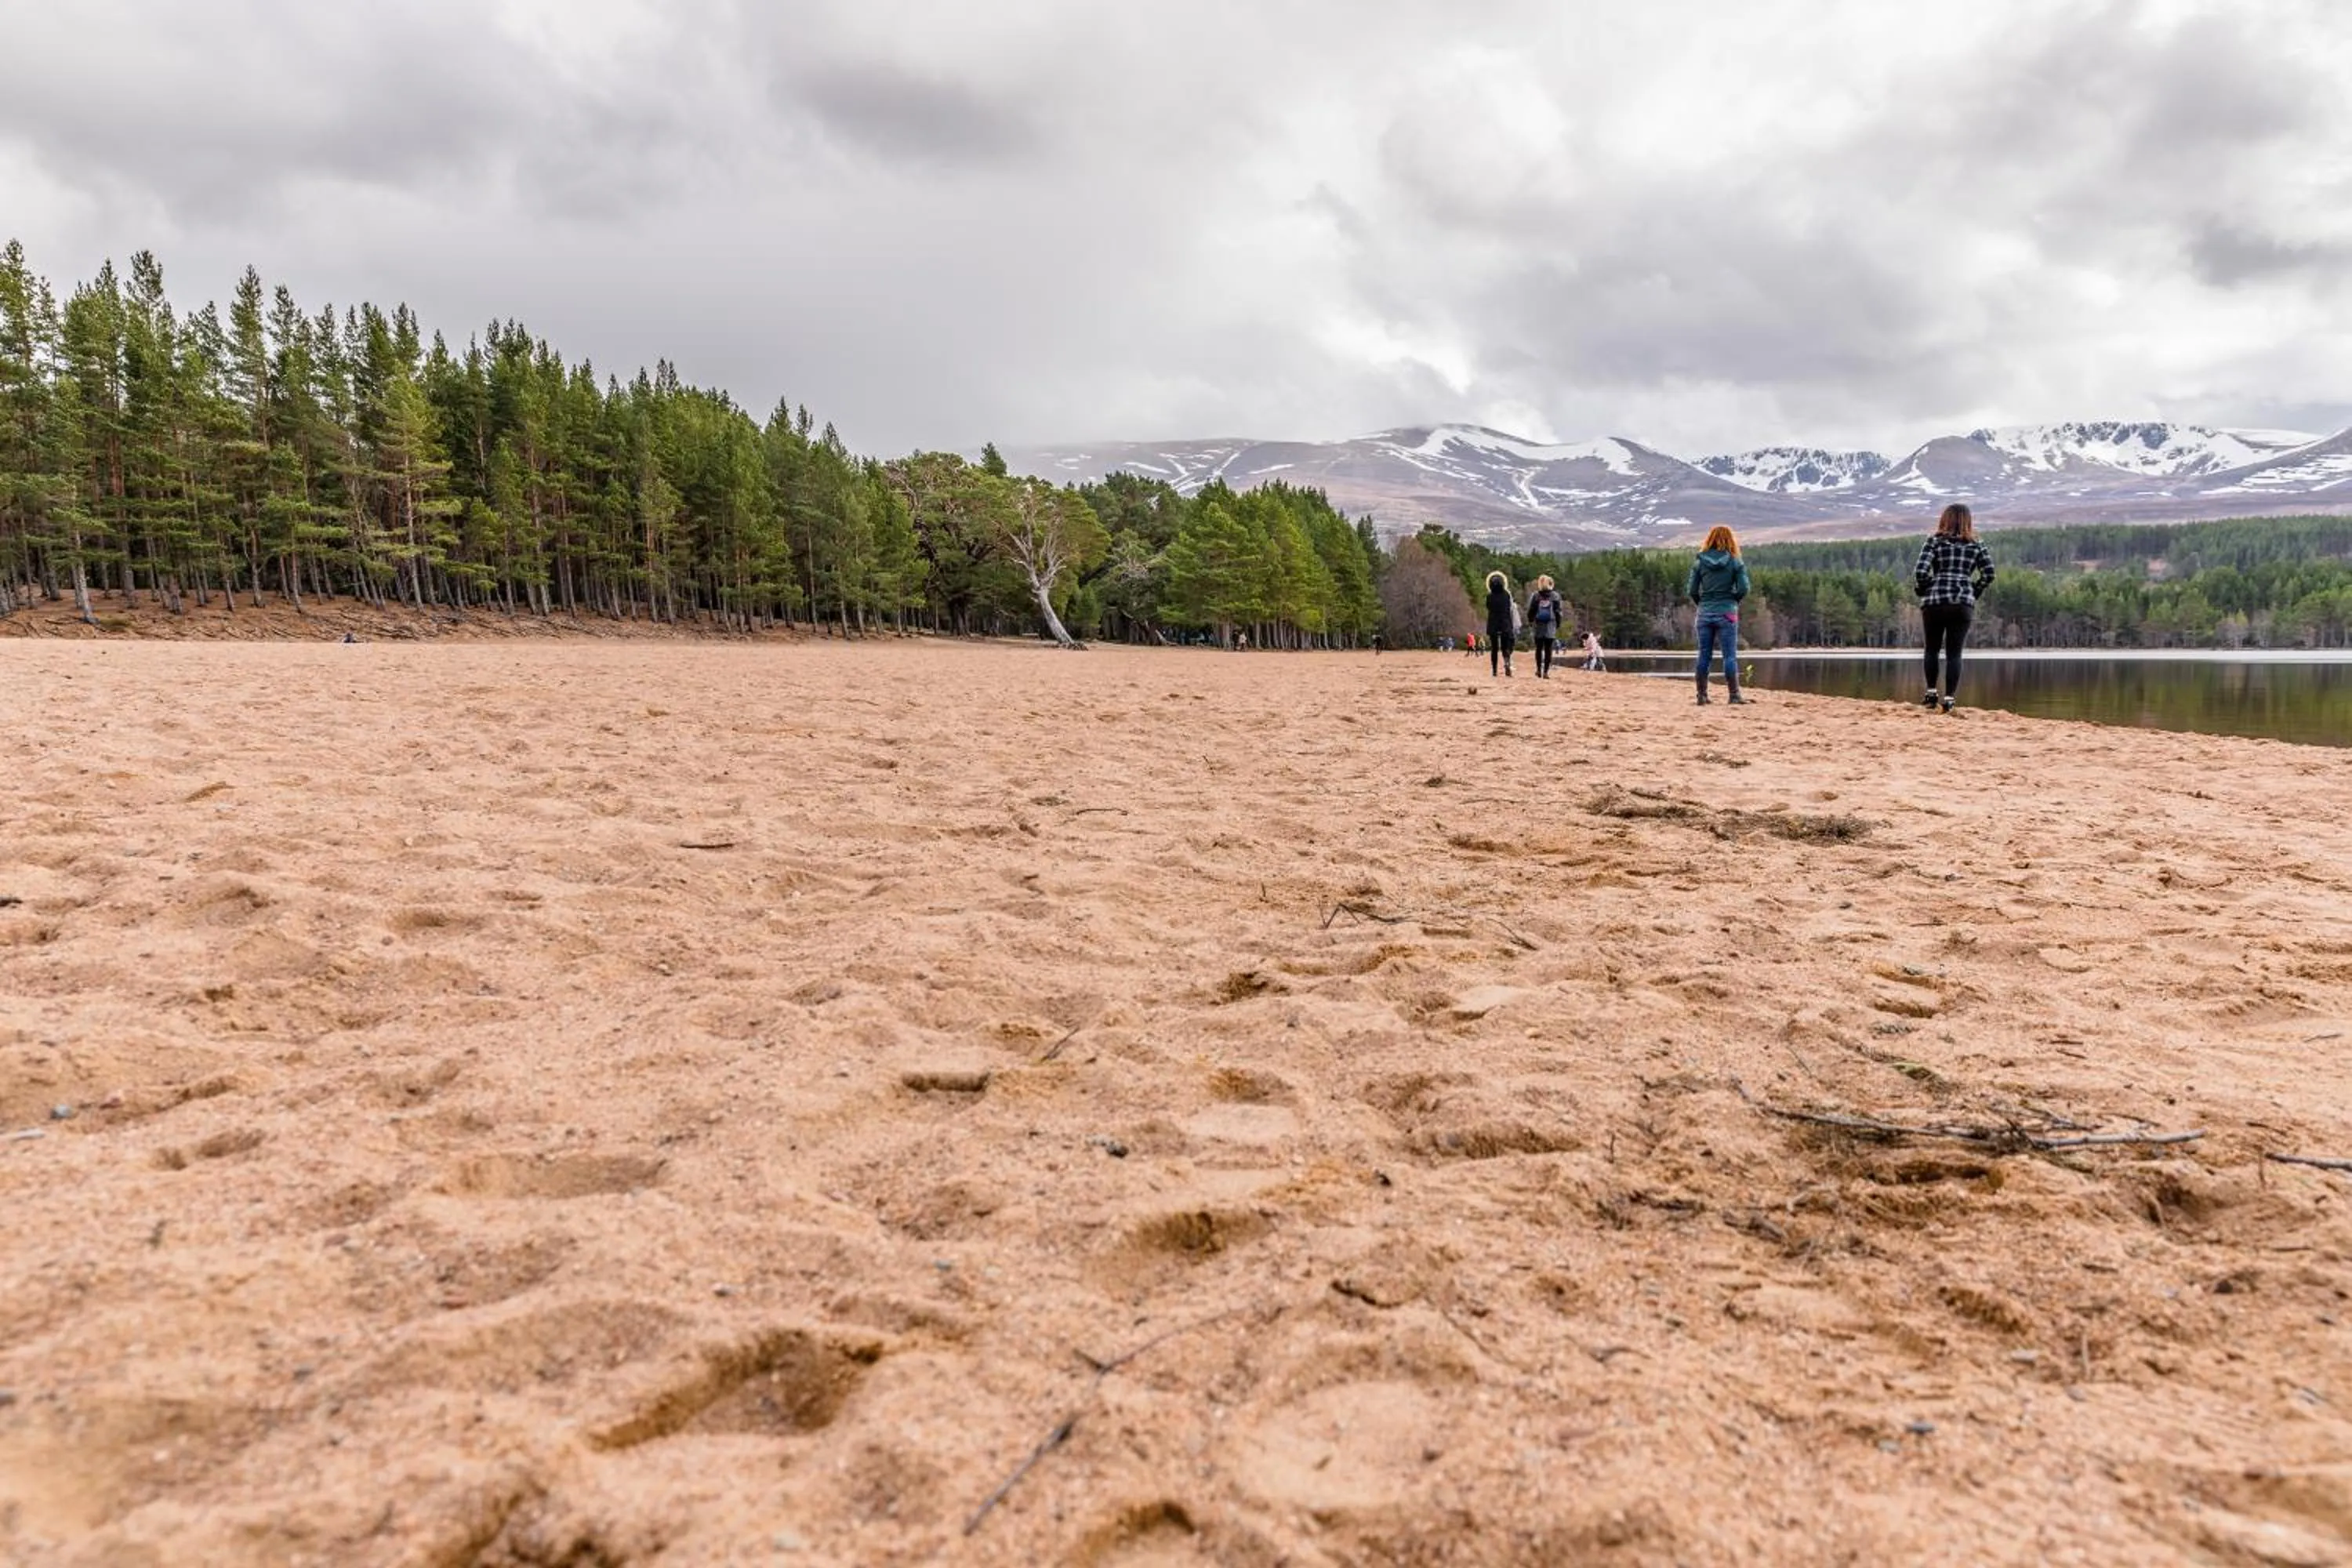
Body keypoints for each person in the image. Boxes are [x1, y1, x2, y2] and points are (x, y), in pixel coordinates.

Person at [1912, 503, 1996, 712]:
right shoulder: (1977, 545)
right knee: (1954, 653)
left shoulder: (1934, 541)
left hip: (1935, 602)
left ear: (1944, 519)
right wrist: (1973, 591)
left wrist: (1925, 588)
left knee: (1931, 648)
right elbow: (1989, 574)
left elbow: (1920, 572)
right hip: (1962, 604)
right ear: (1968, 521)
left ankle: (1931, 694)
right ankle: (1949, 699)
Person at [1686, 526, 1749, 706]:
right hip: (1727, 612)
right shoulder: (1736, 562)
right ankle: (1734, 695)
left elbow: (1691, 590)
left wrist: (1702, 604)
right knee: (1729, 656)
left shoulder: (1700, 562)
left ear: (1709, 539)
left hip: (1705, 612)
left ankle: (1701, 695)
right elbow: (1744, 588)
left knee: (1704, 655)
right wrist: (1733, 601)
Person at [1525, 575, 1566, 679]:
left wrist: (1530, 621)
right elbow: (1558, 612)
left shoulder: (1536, 596)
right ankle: (1546, 672)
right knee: (1548, 650)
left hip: (1538, 625)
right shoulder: (1555, 596)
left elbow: (1531, 611)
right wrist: (1558, 623)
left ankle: (1538, 670)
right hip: (1550, 625)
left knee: (1539, 649)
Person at [1483, 571, 1517, 677]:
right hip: (1505, 623)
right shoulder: (1506, 595)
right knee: (1505, 647)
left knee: (1494, 648)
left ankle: (1494, 670)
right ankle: (1507, 662)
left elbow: (1488, 607)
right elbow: (1509, 608)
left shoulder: (1489, 596)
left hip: (1493, 623)